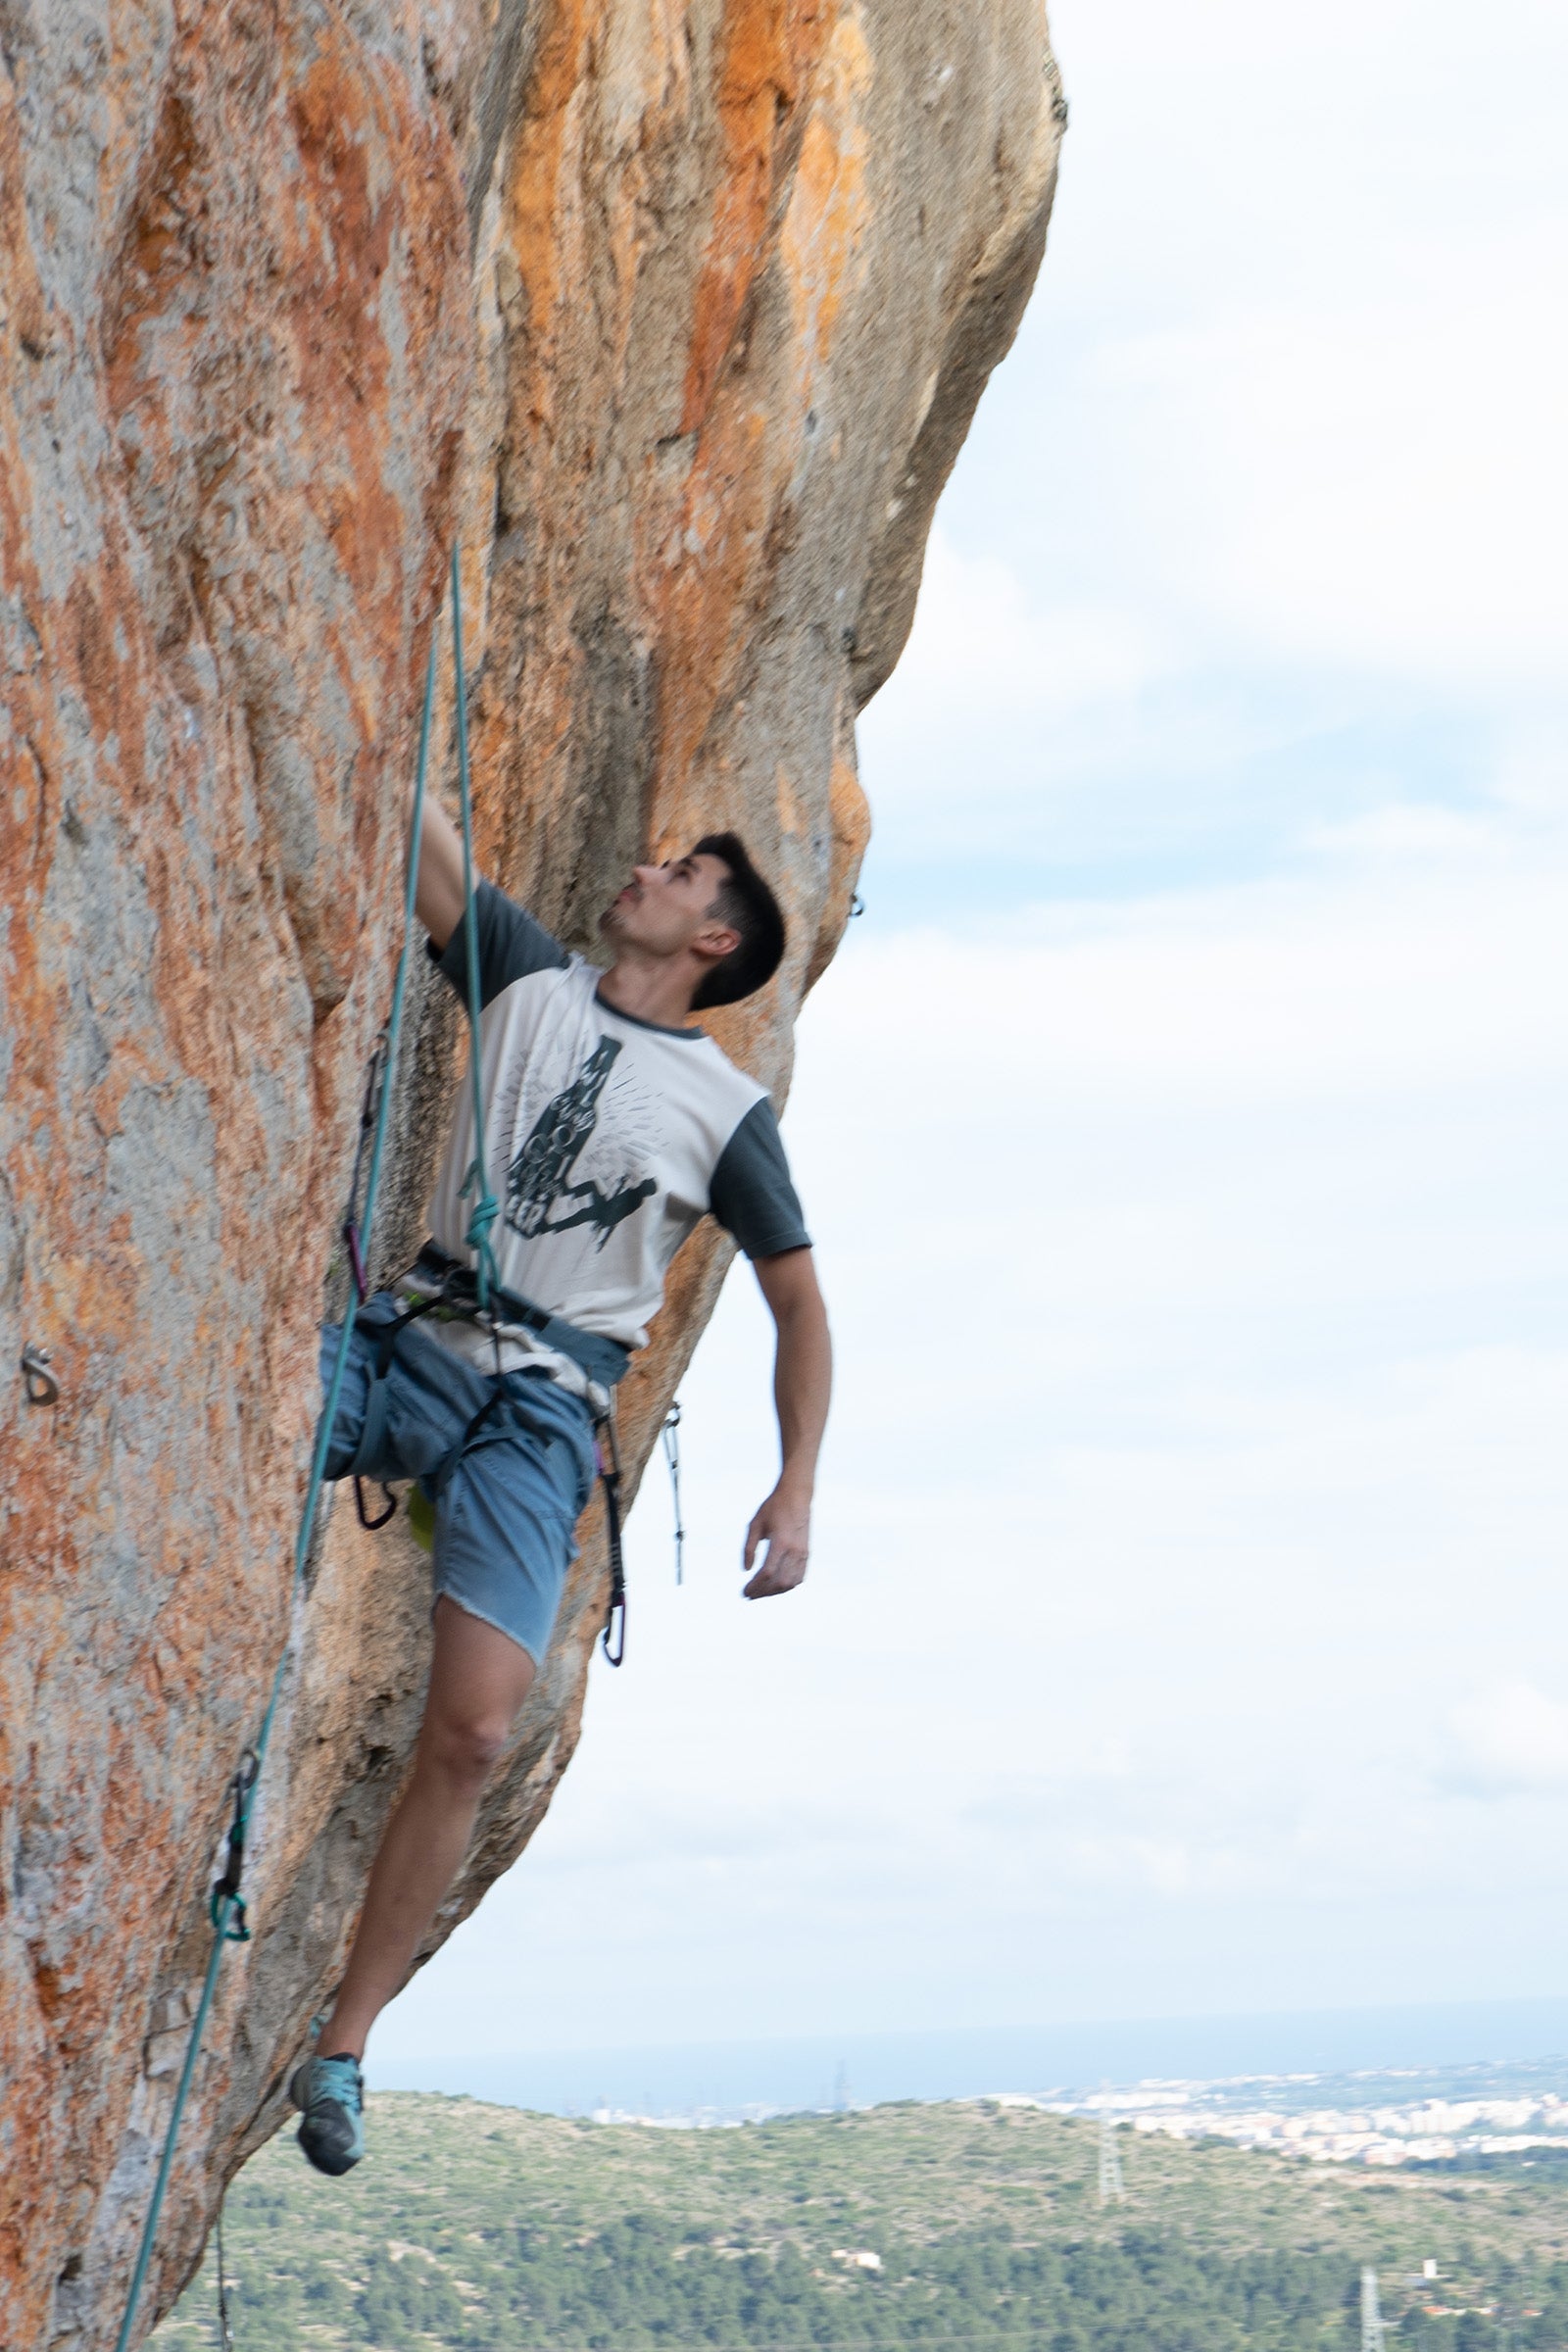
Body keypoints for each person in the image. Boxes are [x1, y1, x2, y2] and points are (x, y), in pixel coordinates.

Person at [287, 801, 831, 2175]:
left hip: (541, 1411)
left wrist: (797, 1483)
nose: (644, 869)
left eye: (681, 874)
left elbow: (800, 1304)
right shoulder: (526, 973)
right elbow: (416, 830)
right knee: (250, 1424)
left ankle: (344, 2046)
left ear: (713, 940)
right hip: (419, 1335)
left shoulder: (726, 1114)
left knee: (476, 1732)